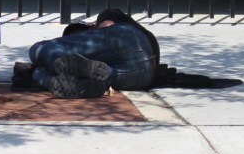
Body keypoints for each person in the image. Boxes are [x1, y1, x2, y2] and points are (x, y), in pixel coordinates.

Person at [16, 8, 159, 99]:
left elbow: (110, 14)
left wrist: (103, 26)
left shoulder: (103, 25)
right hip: (145, 75)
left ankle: (43, 75)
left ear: (91, 27)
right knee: (101, 74)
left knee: (39, 49)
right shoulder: (97, 62)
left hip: (129, 44)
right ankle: (80, 81)